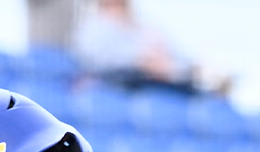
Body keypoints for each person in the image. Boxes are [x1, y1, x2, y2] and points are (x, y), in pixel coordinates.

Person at [72, 0, 225, 95]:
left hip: (164, 84)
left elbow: (175, 52)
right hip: (119, 87)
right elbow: (95, 60)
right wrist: (140, 61)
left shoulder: (145, 25)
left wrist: (196, 66)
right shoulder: (93, 27)